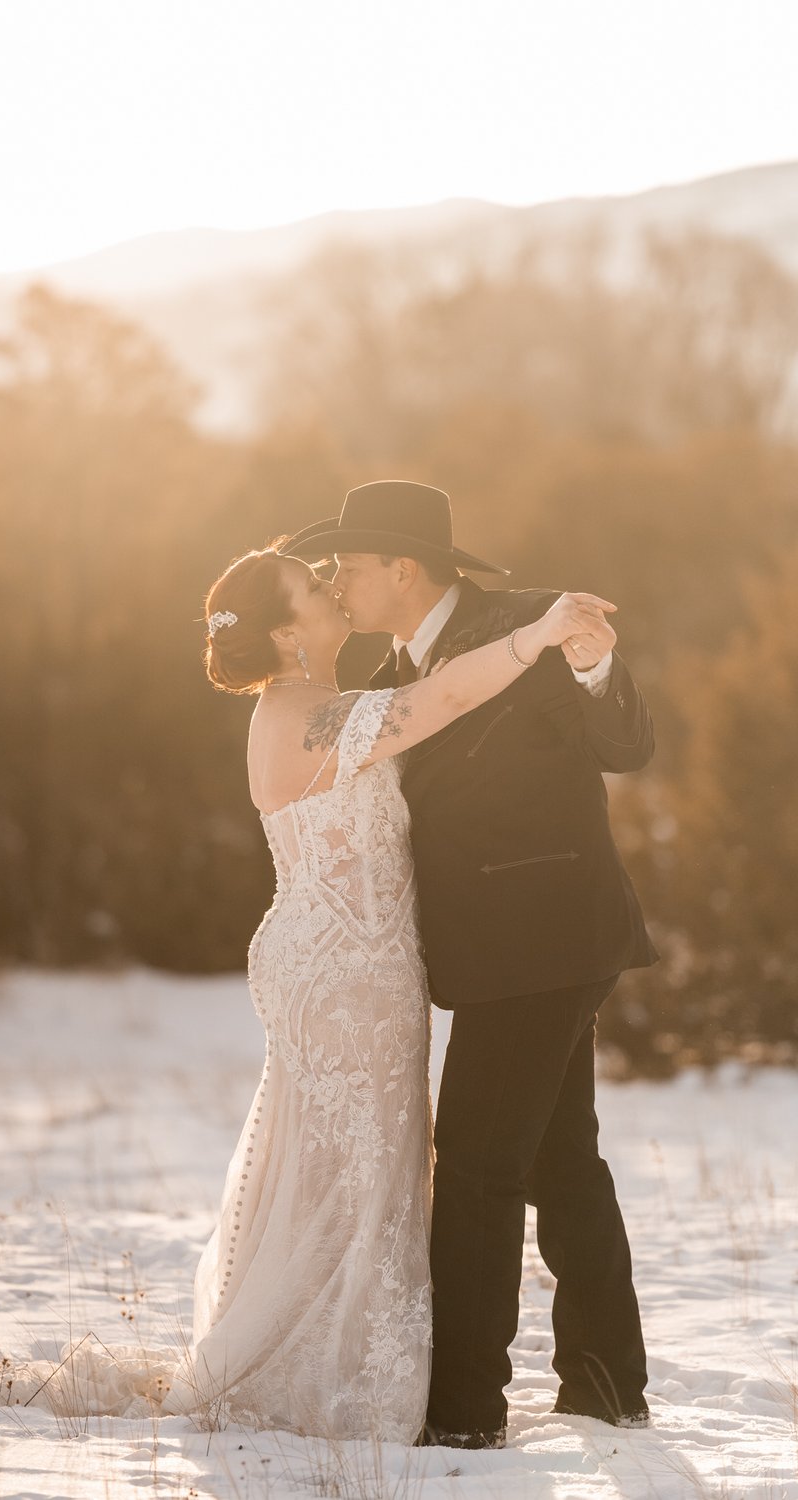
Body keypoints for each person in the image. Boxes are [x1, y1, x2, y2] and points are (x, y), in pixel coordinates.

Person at [160, 541, 616, 1443]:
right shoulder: (307, 718)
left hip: (360, 968)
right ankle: (332, 1375)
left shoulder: (315, 705)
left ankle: (345, 1356)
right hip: (344, 975)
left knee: (360, 1171)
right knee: (356, 1175)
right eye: (310, 590)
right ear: (289, 635)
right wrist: (534, 636)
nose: (331, 592)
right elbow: (437, 700)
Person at [285, 480, 657, 1449]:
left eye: (349, 568)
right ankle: (606, 1384)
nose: (338, 584)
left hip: (548, 936)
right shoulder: (392, 665)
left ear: (401, 568)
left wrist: (596, 664)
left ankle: (460, 1413)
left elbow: (628, 743)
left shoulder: (527, 625)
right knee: (556, 1157)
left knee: (480, 1167)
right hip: (506, 950)